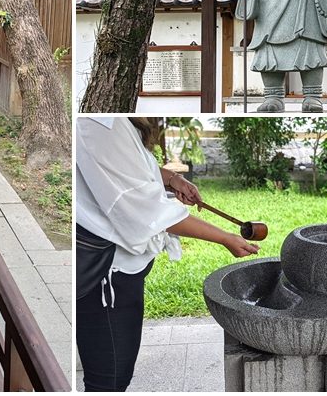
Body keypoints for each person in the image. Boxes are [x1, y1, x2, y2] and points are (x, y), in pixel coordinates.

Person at [76, 117, 260, 392]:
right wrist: (224, 238)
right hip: (107, 273)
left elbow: (133, 169)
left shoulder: (111, 122)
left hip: (122, 269)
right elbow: (149, 211)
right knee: (110, 377)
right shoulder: (98, 125)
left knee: (115, 371)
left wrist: (172, 179)